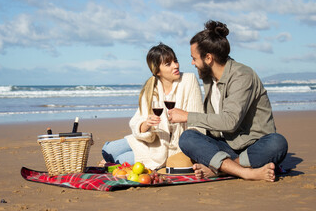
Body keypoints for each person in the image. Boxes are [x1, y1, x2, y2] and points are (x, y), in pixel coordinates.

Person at [168, 20, 288, 182]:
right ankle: (242, 170)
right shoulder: (209, 78)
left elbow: (230, 121)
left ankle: (223, 170)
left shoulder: (242, 75)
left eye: (194, 58)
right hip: (228, 147)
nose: (192, 63)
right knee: (188, 138)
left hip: (254, 146)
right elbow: (215, 128)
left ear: (208, 58)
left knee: (277, 143)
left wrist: (187, 116)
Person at [101, 43, 204, 170]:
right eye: (168, 64)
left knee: (122, 159)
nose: (176, 65)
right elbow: (137, 122)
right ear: (157, 71)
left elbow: (197, 122)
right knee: (108, 149)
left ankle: (115, 163)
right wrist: (147, 124)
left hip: (172, 148)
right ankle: (113, 161)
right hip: (151, 142)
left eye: (175, 61)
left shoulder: (189, 80)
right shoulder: (151, 89)